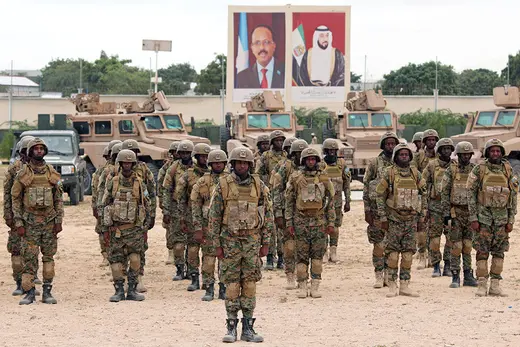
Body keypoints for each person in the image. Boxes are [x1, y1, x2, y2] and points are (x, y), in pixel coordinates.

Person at [208, 147, 273, 343]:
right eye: (239, 163)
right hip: (230, 242)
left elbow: (267, 215)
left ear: (250, 165)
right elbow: (214, 217)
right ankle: (231, 326)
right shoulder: (222, 185)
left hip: (252, 242)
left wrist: (266, 242)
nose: (242, 166)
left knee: (250, 284)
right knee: (232, 285)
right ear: (233, 164)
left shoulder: (259, 185)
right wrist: (216, 245)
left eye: (245, 163)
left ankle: (248, 328)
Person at [12, 137, 64, 305]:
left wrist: (59, 220)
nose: (39, 151)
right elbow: (16, 199)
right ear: (30, 152)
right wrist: (18, 223)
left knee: (48, 258)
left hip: (49, 223)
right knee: (29, 259)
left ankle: (47, 291)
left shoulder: (51, 172)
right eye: (36, 149)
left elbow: (58, 199)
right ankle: (30, 292)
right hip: (30, 224)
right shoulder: (23, 173)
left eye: (42, 148)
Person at [467, 138, 518, 297]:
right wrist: (473, 218)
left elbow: (513, 197)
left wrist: (511, 220)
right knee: (482, 252)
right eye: (492, 150)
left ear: (501, 153)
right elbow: (471, 195)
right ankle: (482, 284)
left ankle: (495, 285)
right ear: (487, 152)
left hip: (502, 221)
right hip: (483, 220)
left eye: (497, 151)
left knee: (499, 253)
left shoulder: (508, 170)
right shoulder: (479, 169)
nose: (495, 153)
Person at [376, 143, 427, 298]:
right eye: (401, 154)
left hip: (410, 220)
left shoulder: (415, 174)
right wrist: (383, 216)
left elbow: (423, 194)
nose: (404, 157)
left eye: (406, 155)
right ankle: (392, 285)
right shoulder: (389, 173)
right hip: (393, 220)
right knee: (392, 255)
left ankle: (404, 285)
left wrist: (421, 216)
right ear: (396, 156)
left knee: (407, 255)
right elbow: (380, 195)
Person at [101, 149, 151, 302]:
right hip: (116, 229)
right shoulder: (113, 182)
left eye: (130, 162)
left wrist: (144, 227)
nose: (127, 165)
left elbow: (146, 205)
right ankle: (118, 290)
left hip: (134, 229)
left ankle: (132, 289)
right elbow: (104, 204)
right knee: (116, 262)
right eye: (125, 162)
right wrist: (106, 228)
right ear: (120, 163)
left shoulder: (139, 183)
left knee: (135, 260)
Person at [285, 147, 335, 299]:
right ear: (304, 161)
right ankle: (301, 285)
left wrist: (331, 221)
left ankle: (315, 285)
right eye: (308, 159)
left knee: (317, 256)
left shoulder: (324, 178)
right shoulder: (295, 178)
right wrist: (289, 222)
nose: (311, 162)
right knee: (301, 257)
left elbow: (330, 201)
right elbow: (289, 201)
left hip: (319, 221)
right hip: (301, 222)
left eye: (313, 159)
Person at [190, 149, 229, 301]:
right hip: (207, 227)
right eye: (215, 163)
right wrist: (198, 227)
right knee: (208, 259)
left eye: (220, 163)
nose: (218, 165)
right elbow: (195, 205)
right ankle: (209, 288)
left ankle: (224, 287)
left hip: (226, 228)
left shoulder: (230, 180)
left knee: (225, 260)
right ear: (210, 164)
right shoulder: (202, 182)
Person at [271, 139, 309, 289]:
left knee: (305, 248)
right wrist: (279, 213)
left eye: (302, 153)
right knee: (289, 247)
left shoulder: (314, 169)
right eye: (297, 153)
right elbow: (276, 190)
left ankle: (303, 277)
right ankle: (290, 276)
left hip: (306, 215)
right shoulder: (284, 167)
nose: (300, 156)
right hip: (288, 212)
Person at [440, 141, 478, 288]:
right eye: (463, 154)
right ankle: (455, 275)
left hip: (470, 213)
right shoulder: (451, 170)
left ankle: (468, 274)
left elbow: (478, 193)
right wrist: (446, 214)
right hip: (455, 213)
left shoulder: (475, 170)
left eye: (468, 154)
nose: (466, 157)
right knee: (456, 246)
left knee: (468, 245)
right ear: (458, 155)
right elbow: (444, 192)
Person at [363, 132, 398, 288]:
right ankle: (378, 274)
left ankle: (390, 275)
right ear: (383, 145)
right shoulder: (375, 163)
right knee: (378, 244)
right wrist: (367, 209)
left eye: (393, 143)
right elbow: (366, 186)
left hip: (396, 212)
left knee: (393, 246)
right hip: (377, 210)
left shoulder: (403, 163)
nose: (390, 146)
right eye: (388, 143)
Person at [121, 139, 157, 293]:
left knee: (139, 249)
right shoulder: (115, 172)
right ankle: (121, 279)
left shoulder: (144, 169)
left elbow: (151, 193)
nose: (131, 157)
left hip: (138, 217)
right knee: (119, 250)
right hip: (120, 218)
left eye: (134, 153)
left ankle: (138, 277)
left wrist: (152, 214)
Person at [176, 143, 212, 292]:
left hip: (210, 219)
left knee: (209, 251)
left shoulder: (215, 175)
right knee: (192, 249)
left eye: (206, 156)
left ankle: (207, 279)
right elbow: (180, 197)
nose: (204, 159)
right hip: (192, 217)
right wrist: (182, 218)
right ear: (196, 157)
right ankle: (194, 277)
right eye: (201, 156)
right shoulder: (188, 175)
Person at [4, 135, 35, 296]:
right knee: (16, 250)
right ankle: (18, 282)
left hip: (34, 217)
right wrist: (8, 216)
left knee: (32, 251)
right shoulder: (14, 169)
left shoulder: (40, 169)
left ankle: (30, 282)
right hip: (17, 216)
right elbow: (8, 195)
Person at [422, 138, 455, 277]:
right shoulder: (431, 165)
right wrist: (425, 207)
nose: (446, 151)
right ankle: (436, 265)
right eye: (444, 149)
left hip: (451, 208)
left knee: (450, 238)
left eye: (449, 149)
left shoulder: (455, 166)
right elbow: (422, 185)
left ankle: (447, 264)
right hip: (434, 206)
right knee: (434, 238)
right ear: (439, 150)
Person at [163, 140, 194, 281]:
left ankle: (192, 270)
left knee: (193, 243)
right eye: (183, 152)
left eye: (188, 152)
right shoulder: (173, 168)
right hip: (177, 209)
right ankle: (180, 269)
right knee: (178, 243)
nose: (186, 155)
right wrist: (166, 211)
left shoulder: (198, 168)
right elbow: (167, 190)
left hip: (195, 209)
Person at [256, 130, 287, 270]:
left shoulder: (287, 156)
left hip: (284, 196)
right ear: (272, 142)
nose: (279, 143)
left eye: (282, 140)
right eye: (277, 140)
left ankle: (282, 257)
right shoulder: (265, 156)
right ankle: (270, 257)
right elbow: (258, 175)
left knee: (282, 229)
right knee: (271, 229)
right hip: (269, 196)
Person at [321, 139, 351, 263]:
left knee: (335, 227)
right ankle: (323, 251)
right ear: (325, 151)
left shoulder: (342, 164)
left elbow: (347, 184)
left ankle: (333, 251)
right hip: (323, 203)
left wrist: (348, 200)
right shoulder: (321, 165)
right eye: (329, 150)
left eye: (334, 150)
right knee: (323, 226)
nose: (332, 153)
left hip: (337, 201)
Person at [236, 24, 285, 89]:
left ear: (274, 45)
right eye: (257, 43)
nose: (262, 47)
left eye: (266, 42)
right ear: (252, 48)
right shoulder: (242, 77)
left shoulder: (288, 72)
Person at [157, 141, 180, 265]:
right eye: (175, 152)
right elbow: (161, 186)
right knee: (170, 228)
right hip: (171, 202)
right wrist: (163, 203)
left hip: (186, 203)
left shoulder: (191, 166)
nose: (177, 154)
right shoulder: (167, 168)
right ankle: (171, 252)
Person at [91, 146, 111, 267]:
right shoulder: (100, 172)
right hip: (102, 206)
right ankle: (105, 256)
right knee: (102, 231)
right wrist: (96, 207)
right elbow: (96, 190)